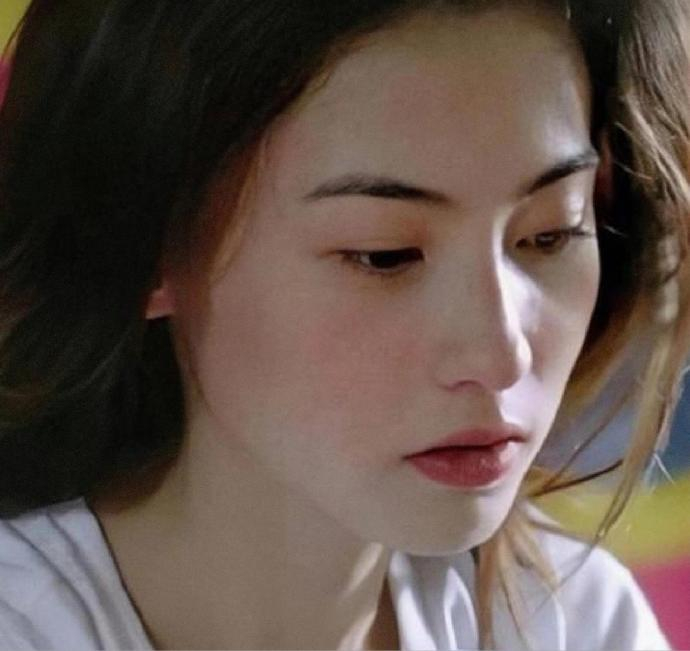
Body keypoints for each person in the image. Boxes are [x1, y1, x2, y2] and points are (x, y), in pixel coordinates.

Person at [0, 0, 688, 648]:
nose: (500, 355)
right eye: (385, 254)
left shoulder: (570, 620)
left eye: (549, 234)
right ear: (147, 250)